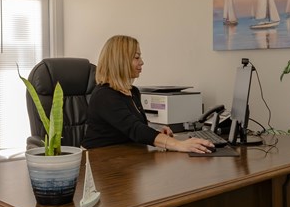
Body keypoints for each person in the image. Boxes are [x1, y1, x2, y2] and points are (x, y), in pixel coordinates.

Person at [84, 35, 214, 153]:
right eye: (136, 57)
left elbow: (137, 126)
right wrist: (179, 144)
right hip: (99, 159)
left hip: (124, 155)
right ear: (120, 61)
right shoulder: (104, 96)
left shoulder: (133, 91)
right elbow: (134, 129)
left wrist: (156, 132)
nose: (142, 62)